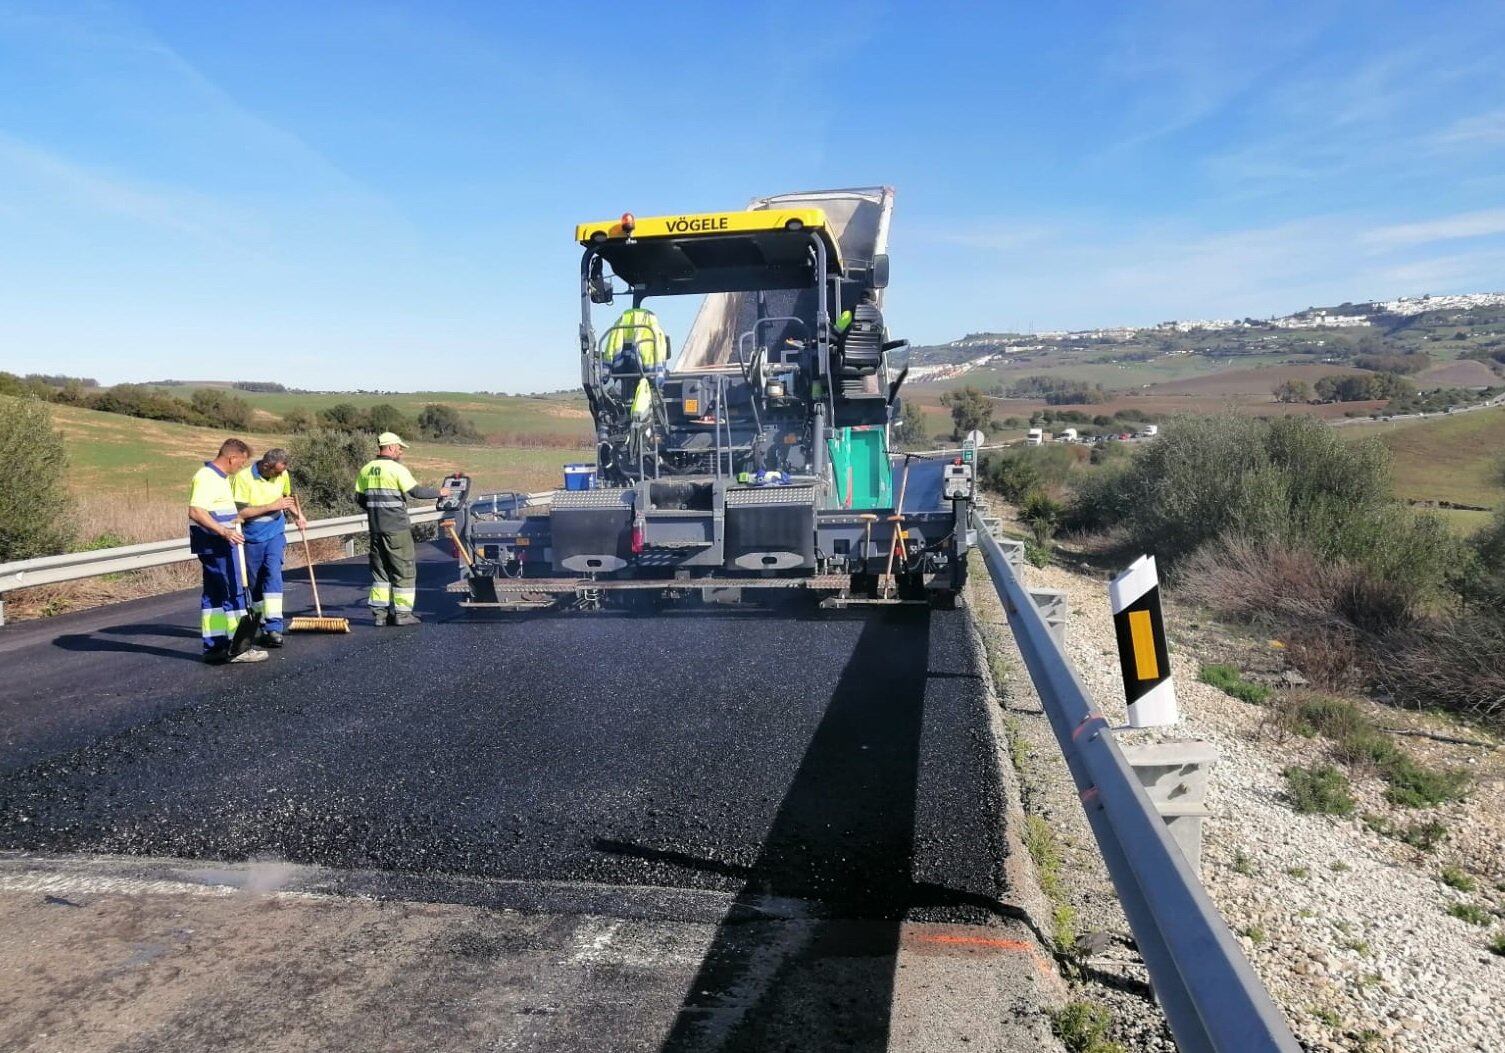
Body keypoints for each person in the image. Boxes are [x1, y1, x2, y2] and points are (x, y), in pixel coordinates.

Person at [354, 432, 446, 626]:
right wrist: (441, 492)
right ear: (391, 447)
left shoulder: (367, 469)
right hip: (396, 528)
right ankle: (403, 615)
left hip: (376, 529)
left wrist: (376, 512)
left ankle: (380, 615)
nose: (401, 451)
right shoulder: (396, 469)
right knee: (404, 570)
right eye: (399, 447)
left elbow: (360, 499)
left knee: (380, 573)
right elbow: (416, 492)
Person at [188, 438, 266, 664]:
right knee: (233, 591)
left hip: (216, 543)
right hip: (217, 544)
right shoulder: (206, 477)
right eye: (240, 463)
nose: (240, 467)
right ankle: (239, 647)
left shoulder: (217, 478)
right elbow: (196, 511)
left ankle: (215, 646)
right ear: (232, 457)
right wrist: (224, 532)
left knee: (213, 595)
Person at [231, 448, 306, 648]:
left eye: (283, 472)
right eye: (277, 472)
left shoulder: (283, 473)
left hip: (275, 533)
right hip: (252, 537)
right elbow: (240, 512)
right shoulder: (243, 478)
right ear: (266, 466)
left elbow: (286, 499)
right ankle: (260, 622)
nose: (281, 475)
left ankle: (274, 628)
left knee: (273, 574)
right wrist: (272, 506)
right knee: (255, 582)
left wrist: (298, 515)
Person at [603, 305, 667, 418]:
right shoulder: (654, 329)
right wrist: (657, 379)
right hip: (649, 375)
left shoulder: (619, 326)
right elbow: (658, 354)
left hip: (623, 371)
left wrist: (605, 371)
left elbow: (610, 350)